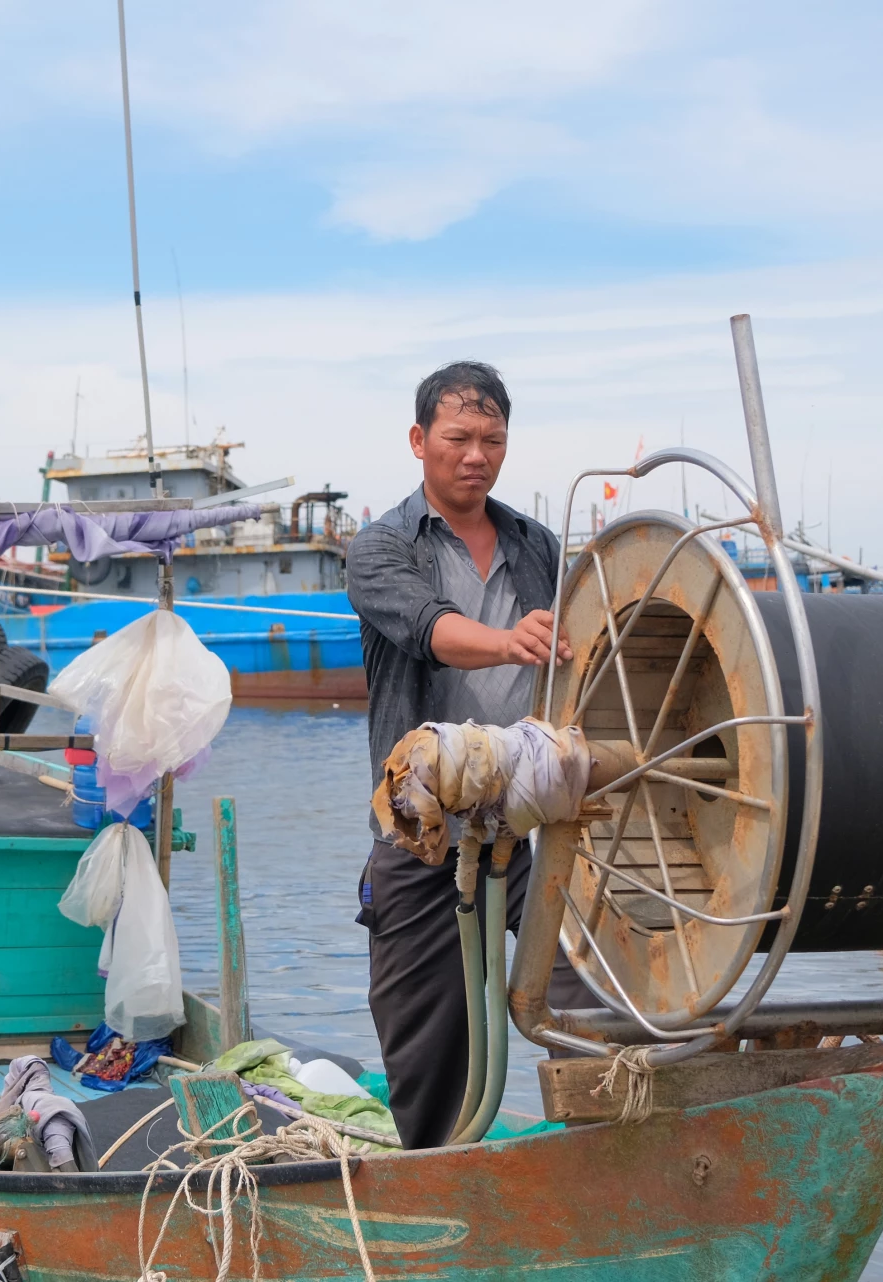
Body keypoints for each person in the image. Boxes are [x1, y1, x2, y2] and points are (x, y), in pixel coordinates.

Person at [346, 360, 596, 1150]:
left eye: (492, 439)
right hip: (425, 842)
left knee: (599, 1000)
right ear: (420, 441)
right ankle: (430, 1191)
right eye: (458, 437)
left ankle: (612, 1158)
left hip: (532, 831)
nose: (475, 454)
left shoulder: (537, 547)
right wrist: (508, 641)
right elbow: (428, 628)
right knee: (426, 1059)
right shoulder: (382, 548)